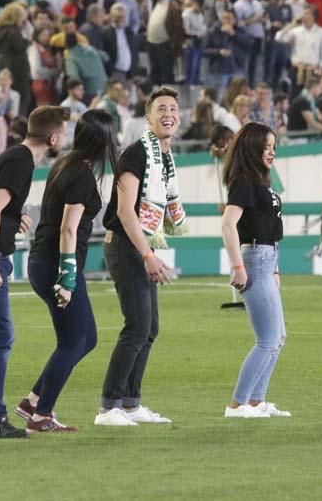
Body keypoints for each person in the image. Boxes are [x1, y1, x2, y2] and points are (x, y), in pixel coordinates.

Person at [0, 106, 70, 438]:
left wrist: (11, 219)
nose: (65, 138)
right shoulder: (21, 161)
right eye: (64, 132)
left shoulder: (15, 157)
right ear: (52, 137)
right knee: (0, 337)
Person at [17, 110, 117, 433]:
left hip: (44, 260)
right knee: (73, 341)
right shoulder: (83, 175)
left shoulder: (64, 166)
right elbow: (68, 230)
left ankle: (33, 401)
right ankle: (41, 414)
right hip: (56, 264)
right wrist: (67, 278)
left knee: (86, 338)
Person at [97, 87, 186, 427]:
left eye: (174, 109)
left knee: (149, 328)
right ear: (148, 117)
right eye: (161, 108)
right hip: (125, 245)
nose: (169, 114)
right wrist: (147, 254)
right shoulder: (136, 154)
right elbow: (124, 211)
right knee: (137, 327)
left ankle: (131, 403)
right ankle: (108, 407)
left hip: (139, 245)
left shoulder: (163, 157)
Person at [220, 123, 291, 419]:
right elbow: (228, 224)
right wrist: (238, 266)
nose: (272, 152)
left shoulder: (261, 181)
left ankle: (255, 401)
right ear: (252, 148)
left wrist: (275, 267)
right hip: (254, 259)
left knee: (278, 337)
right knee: (267, 339)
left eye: (273, 146)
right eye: (266, 147)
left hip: (267, 258)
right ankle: (237, 405)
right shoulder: (245, 182)